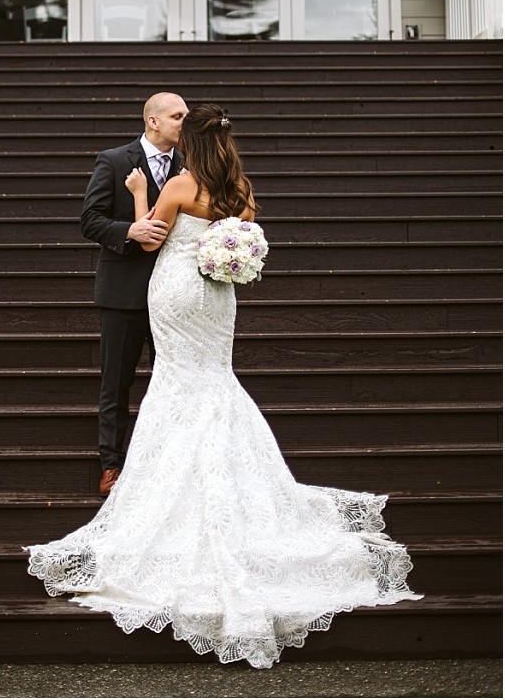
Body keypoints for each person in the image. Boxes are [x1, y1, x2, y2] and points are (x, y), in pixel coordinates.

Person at [27, 104, 421, 668]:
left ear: (193, 140)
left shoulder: (182, 182)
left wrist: (139, 197)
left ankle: (146, 471)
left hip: (174, 291)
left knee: (174, 380)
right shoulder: (239, 186)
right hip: (216, 297)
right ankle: (148, 459)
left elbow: (150, 240)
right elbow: (242, 236)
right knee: (213, 380)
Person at [80, 91, 188, 496]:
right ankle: (111, 465)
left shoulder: (188, 166)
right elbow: (89, 220)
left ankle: (167, 464)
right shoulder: (113, 160)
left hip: (173, 295)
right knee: (116, 383)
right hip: (122, 293)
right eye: (178, 116)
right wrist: (128, 231)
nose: (184, 123)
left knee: (171, 382)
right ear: (153, 121)